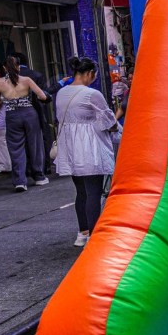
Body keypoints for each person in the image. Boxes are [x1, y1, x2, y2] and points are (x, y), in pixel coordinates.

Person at [55, 57, 118, 247]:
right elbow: (109, 121)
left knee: (81, 192)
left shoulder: (61, 92)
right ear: (90, 73)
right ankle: (94, 235)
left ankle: (82, 233)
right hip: (89, 148)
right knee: (93, 193)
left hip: (70, 147)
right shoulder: (92, 94)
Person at [0, 57, 48, 193]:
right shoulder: (26, 80)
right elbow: (42, 96)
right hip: (29, 114)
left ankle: (20, 181)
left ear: (4, 68)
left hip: (12, 116)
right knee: (35, 145)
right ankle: (39, 177)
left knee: (15, 148)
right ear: (18, 67)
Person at [13, 52, 57, 172]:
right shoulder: (35, 75)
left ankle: (25, 169)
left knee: (19, 142)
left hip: (13, 114)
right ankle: (43, 167)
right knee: (40, 140)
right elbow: (43, 95)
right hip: (35, 111)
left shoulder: (7, 78)